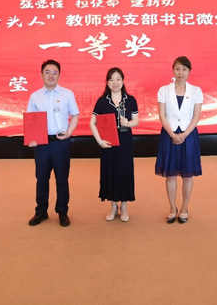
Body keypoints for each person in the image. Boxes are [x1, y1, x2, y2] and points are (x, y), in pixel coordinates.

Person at [26, 59, 79, 227]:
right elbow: (30, 120)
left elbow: (75, 115)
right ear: (41, 75)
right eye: (47, 72)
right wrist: (31, 138)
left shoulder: (67, 94)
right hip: (41, 144)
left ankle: (62, 211)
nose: (51, 75)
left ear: (59, 75)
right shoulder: (35, 96)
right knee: (41, 179)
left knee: (62, 178)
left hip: (61, 142)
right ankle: (41, 211)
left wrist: (69, 132)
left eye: (54, 72)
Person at [155, 56, 203, 224]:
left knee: (187, 176)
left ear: (189, 71)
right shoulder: (164, 90)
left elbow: (196, 116)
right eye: (177, 69)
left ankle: (184, 208)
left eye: (184, 69)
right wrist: (173, 135)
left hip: (188, 137)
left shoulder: (196, 91)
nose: (180, 72)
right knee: (170, 175)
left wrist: (184, 135)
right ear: (173, 70)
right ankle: (172, 208)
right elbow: (162, 115)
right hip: (169, 135)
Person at [89, 67, 139, 222]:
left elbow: (136, 121)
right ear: (107, 82)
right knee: (110, 172)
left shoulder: (130, 100)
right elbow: (92, 123)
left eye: (118, 79)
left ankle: (124, 206)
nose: (115, 83)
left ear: (123, 81)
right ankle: (113, 206)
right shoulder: (102, 101)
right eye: (111, 80)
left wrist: (128, 123)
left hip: (125, 143)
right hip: (108, 143)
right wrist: (100, 141)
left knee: (124, 171)